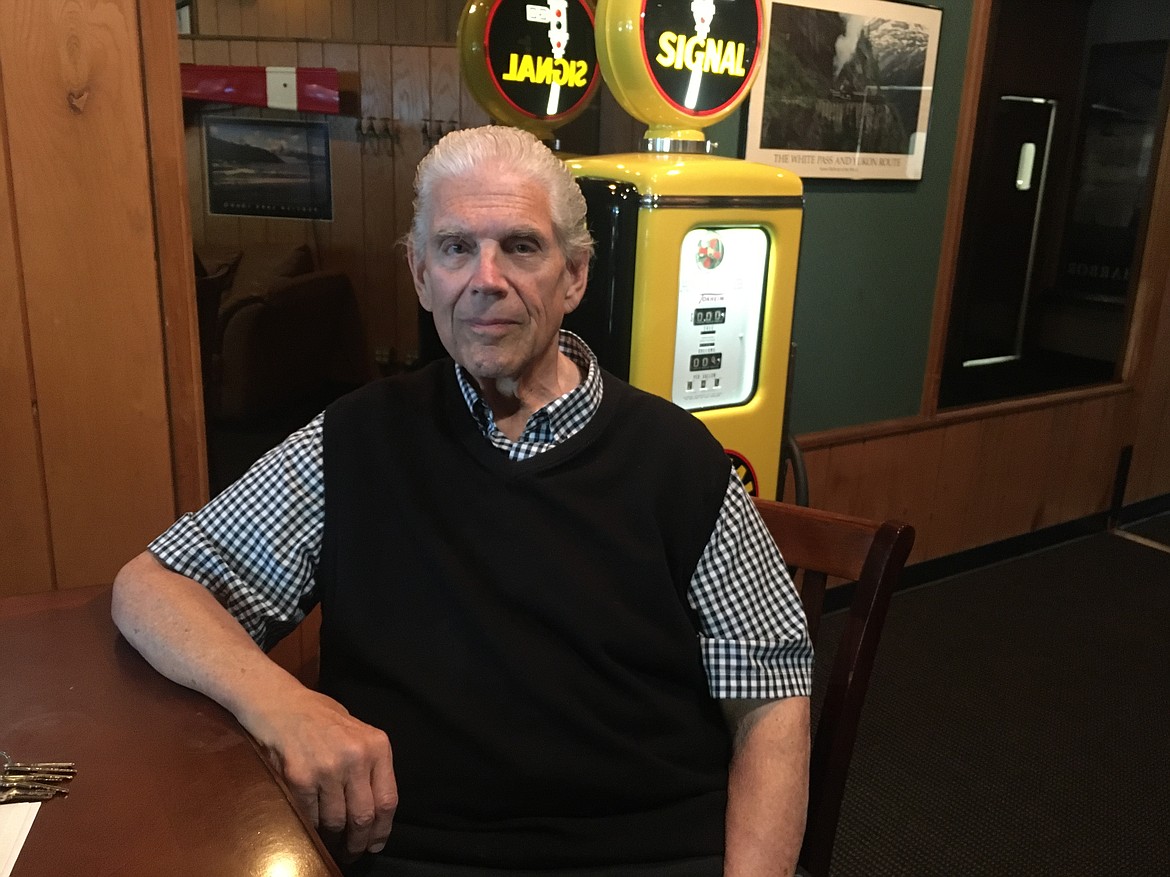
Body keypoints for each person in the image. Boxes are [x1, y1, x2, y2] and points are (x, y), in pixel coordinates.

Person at [112, 125, 813, 877]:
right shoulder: (353, 439)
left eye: (521, 246)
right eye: (454, 248)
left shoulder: (680, 460)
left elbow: (772, 700)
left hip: (648, 855)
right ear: (422, 277)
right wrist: (282, 702)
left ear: (574, 276)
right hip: (409, 855)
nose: (486, 278)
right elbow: (151, 587)